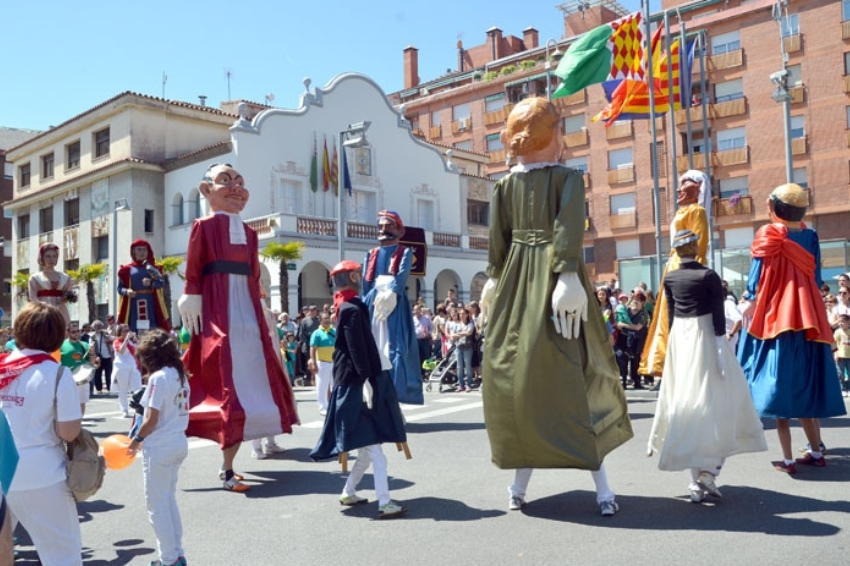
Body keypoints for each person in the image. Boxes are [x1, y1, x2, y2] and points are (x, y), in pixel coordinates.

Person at [479, 98, 632, 516]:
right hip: (541, 278)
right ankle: (572, 484)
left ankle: (530, 482)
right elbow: (561, 228)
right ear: (554, 136)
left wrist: (498, 277)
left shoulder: (510, 184)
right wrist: (563, 274)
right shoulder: (559, 178)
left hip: (524, 279)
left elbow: (504, 241)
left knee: (527, 374)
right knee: (566, 374)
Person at [178, 163, 299, 492]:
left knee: (254, 376)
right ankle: (226, 466)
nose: (235, 188)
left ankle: (234, 459)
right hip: (218, 308)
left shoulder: (249, 233)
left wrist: (261, 307)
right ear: (207, 191)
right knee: (223, 379)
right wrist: (191, 293)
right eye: (225, 181)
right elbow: (194, 264)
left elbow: (255, 275)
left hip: (247, 311)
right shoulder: (202, 226)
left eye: (240, 182)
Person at [647, 230, 766, 503]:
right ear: (696, 247)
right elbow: (716, 317)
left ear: (677, 250)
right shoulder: (708, 275)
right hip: (705, 338)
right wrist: (721, 349)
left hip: (681, 338)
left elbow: (670, 314)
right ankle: (709, 473)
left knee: (688, 404)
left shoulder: (671, 276)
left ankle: (696, 480)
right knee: (723, 402)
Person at [738, 183, 846, 473]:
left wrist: (748, 299)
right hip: (808, 312)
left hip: (778, 313)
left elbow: (756, 278)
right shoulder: (810, 235)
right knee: (808, 377)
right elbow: (817, 273)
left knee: (778, 377)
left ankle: (787, 459)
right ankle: (815, 450)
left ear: (774, 208)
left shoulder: (768, 234)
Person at [309, 260, 408, 519]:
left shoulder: (348, 306)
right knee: (375, 451)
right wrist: (366, 379)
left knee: (366, 449)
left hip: (352, 382)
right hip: (356, 384)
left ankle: (348, 492)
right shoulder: (352, 308)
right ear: (353, 276)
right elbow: (356, 348)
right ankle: (385, 502)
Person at [0, 302, 83, 566]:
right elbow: (68, 432)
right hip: (42, 474)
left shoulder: (2, 367)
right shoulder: (57, 373)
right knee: (62, 555)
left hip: (3, 470)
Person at [639, 170, 711, 386]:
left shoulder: (697, 211)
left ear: (698, 188)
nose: (680, 190)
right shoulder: (682, 212)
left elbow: (700, 241)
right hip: (673, 265)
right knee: (665, 315)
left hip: (683, 265)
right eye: (679, 186)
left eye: (685, 185)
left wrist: (692, 269)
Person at [128, 329, 190, 566]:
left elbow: (150, 419)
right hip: (177, 440)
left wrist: (135, 442)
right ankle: (176, 553)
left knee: (156, 506)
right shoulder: (179, 373)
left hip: (161, 445)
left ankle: (169, 558)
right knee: (168, 500)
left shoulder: (158, 378)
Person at [361, 210, 424, 405]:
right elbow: (365, 282)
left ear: (399, 229)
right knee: (372, 347)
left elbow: (402, 274)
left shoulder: (404, 251)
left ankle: (395, 398)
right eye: (380, 226)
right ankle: (372, 396)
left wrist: (393, 293)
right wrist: (366, 304)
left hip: (394, 301)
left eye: (388, 225)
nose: (383, 229)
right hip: (374, 301)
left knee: (395, 348)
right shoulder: (370, 253)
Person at [117, 239, 170, 333]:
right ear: (133, 251)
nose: (142, 252)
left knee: (152, 329)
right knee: (134, 330)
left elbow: (161, 283)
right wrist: (127, 292)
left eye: (144, 249)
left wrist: (151, 283)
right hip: (133, 304)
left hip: (151, 303)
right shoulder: (126, 270)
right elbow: (119, 288)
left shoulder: (154, 268)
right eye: (139, 249)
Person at [28, 243, 73, 327]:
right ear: (42, 258)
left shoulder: (65, 277)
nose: (51, 259)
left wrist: (66, 298)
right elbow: (32, 298)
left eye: (54, 256)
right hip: (42, 312)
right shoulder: (35, 277)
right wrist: (44, 308)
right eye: (48, 256)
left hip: (61, 310)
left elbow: (69, 293)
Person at [60, 322, 95, 416]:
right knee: (67, 402)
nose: (76, 334)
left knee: (81, 402)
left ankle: (80, 422)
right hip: (67, 378)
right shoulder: (61, 346)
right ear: (67, 333)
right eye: (73, 332)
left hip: (82, 378)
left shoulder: (84, 345)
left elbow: (91, 362)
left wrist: (92, 353)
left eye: (78, 331)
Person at [112, 324, 142, 418]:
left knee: (138, 387)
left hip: (133, 367)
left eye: (127, 330)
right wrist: (126, 339)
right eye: (124, 331)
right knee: (123, 389)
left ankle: (139, 407)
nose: (126, 332)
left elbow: (140, 350)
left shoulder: (131, 342)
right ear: (120, 333)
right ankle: (124, 410)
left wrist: (136, 339)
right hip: (121, 367)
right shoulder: (117, 342)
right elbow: (121, 350)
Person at [310, 311, 336, 416]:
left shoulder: (334, 331)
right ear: (320, 321)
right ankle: (323, 407)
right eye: (324, 318)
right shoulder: (316, 333)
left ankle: (333, 405)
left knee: (335, 385)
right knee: (322, 386)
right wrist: (313, 362)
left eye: (328, 318)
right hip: (322, 362)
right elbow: (312, 348)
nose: (327, 320)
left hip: (334, 362)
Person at [448, 307, 476, 392]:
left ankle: (468, 384)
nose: (461, 315)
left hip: (467, 347)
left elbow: (469, 332)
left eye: (463, 314)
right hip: (459, 346)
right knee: (459, 366)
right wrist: (461, 334)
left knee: (467, 366)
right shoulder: (457, 324)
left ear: (467, 315)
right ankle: (461, 384)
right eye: (460, 314)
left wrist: (459, 334)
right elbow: (453, 336)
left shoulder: (470, 324)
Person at [89, 320, 114, 395]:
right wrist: (94, 356)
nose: (98, 327)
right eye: (96, 326)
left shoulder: (105, 333)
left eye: (99, 325)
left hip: (107, 356)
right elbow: (91, 346)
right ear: (94, 327)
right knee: (97, 374)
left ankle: (110, 388)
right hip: (98, 357)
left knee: (108, 374)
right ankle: (99, 389)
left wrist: (108, 340)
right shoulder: (92, 336)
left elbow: (112, 341)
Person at [296, 305, 320, 384]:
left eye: (314, 310)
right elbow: (301, 334)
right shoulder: (304, 321)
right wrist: (308, 342)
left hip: (318, 344)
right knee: (308, 362)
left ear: (316, 311)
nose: (312, 312)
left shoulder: (319, 321)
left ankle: (317, 378)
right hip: (308, 344)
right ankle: (308, 378)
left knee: (318, 361)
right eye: (311, 310)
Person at [413, 304, 432, 373]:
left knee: (427, 356)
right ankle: (420, 372)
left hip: (425, 340)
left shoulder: (426, 319)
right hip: (416, 341)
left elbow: (431, 329)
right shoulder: (412, 319)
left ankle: (429, 371)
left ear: (420, 310)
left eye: (418, 309)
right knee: (418, 356)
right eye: (415, 310)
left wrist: (428, 333)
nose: (417, 311)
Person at [834, 314, 850, 397]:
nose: (841, 323)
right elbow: (834, 344)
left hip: (849, 356)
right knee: (841, 373)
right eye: (839, 322)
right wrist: (836, 354)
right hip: (840, 356)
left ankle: (849, 388)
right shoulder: (837, 332)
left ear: (848, 322)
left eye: (843, 322)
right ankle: (843, 389)